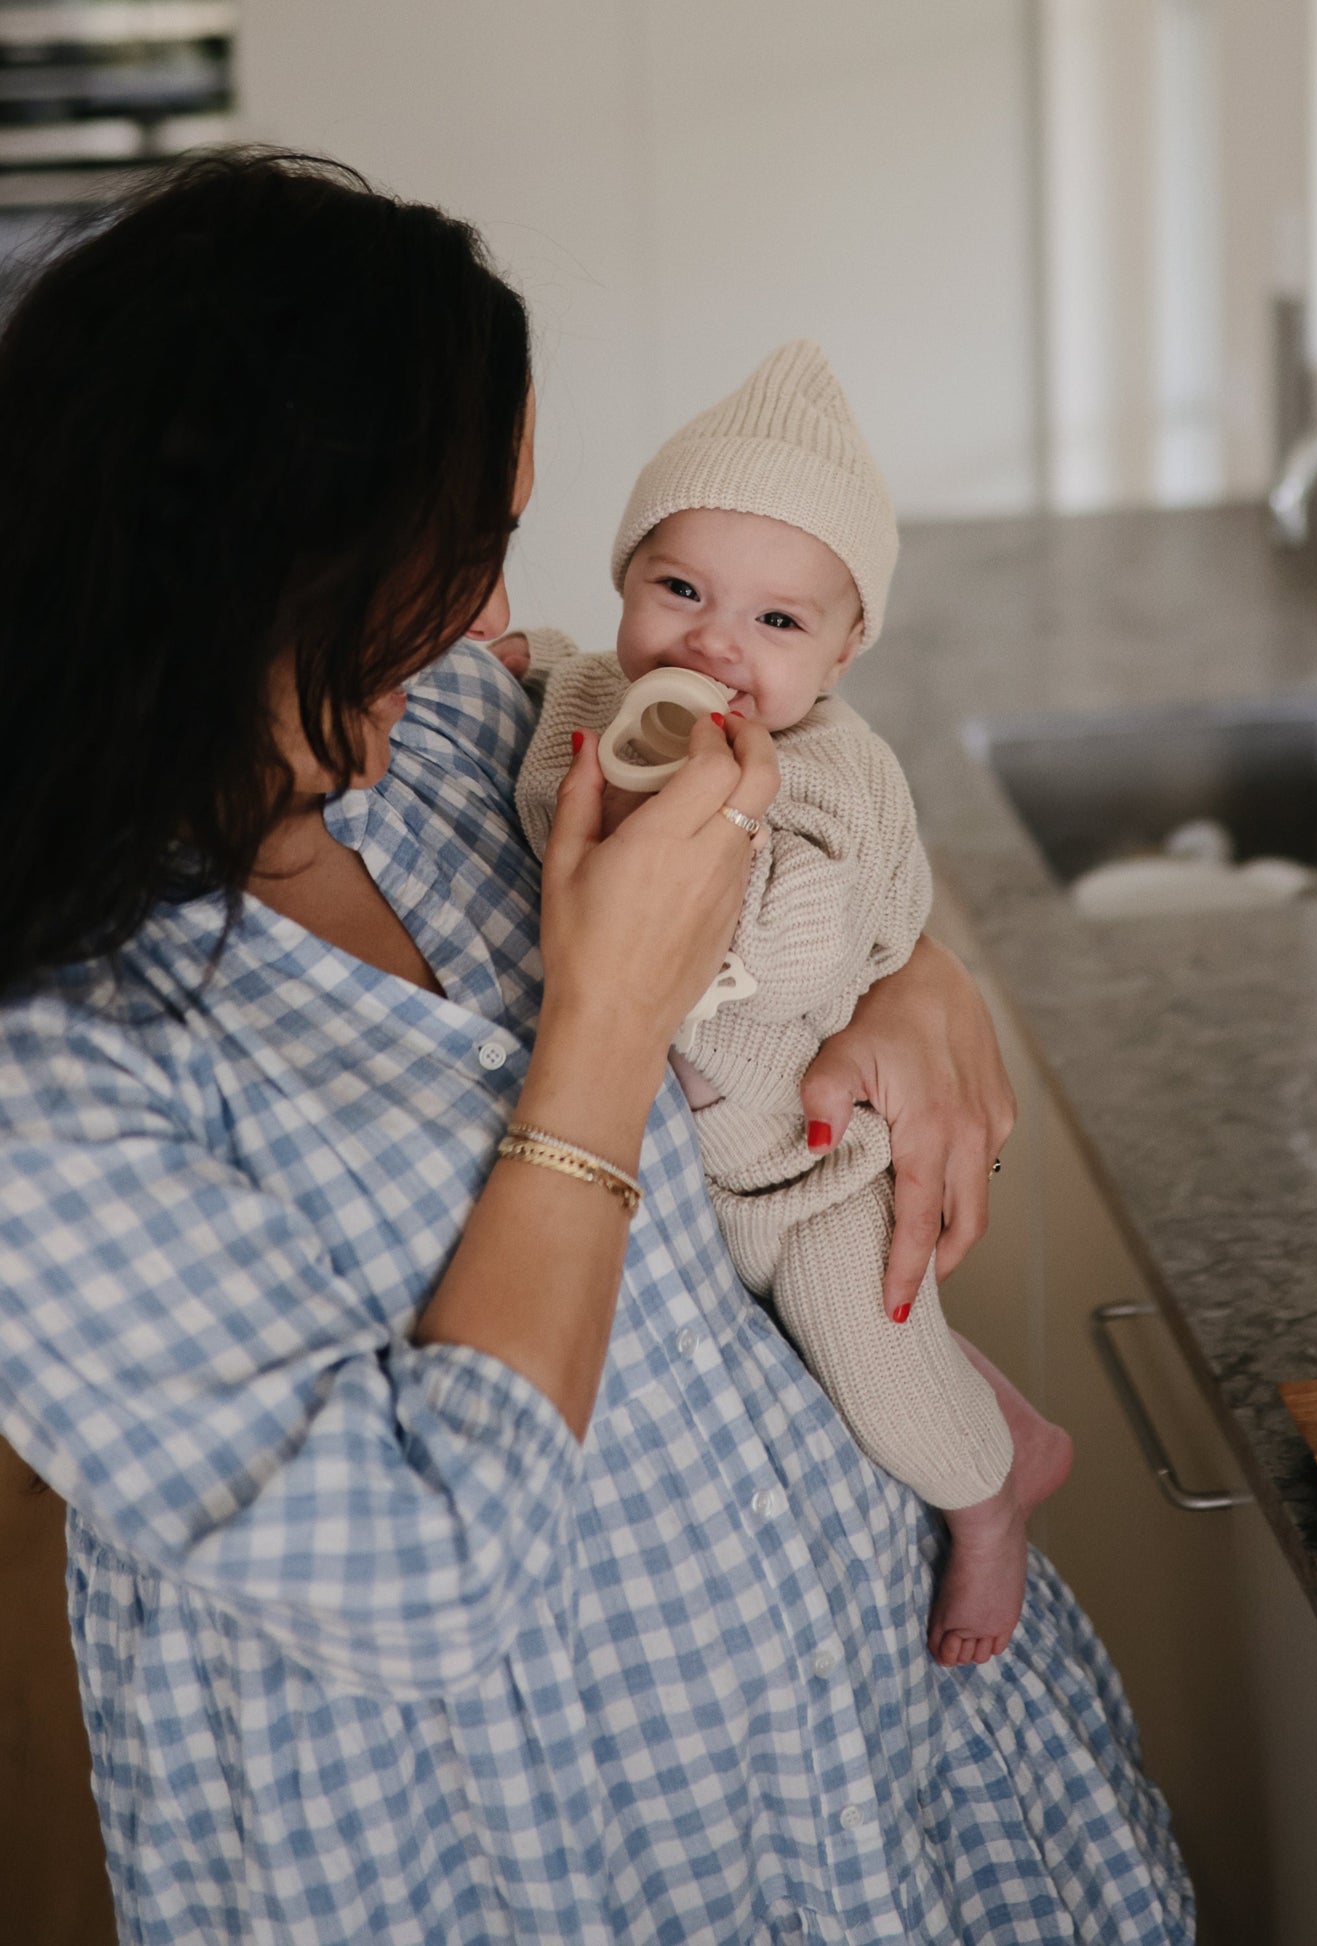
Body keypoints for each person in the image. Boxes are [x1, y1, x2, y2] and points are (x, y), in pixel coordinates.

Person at [0, 151, 1192, 1942]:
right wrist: (606, 1021)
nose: (495, 615)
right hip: (529, 1847)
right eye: (467, 550)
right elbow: (423, 1574)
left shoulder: (430, 736)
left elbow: (776, 853)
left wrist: (915, 978)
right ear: (279, 554)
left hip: (845, 1692)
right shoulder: (47, 1064)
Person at [508, 341, 1072, 1670]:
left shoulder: (828, 771)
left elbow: (814, 959)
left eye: (778, 622)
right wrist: (527, 667)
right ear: (626, 583)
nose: (713, 642)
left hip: (807, 1180)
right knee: (831, 1367)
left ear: (845, 646)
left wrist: (728, 821)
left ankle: (992, 1493)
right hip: (672, 1192)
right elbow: (542, 697)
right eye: (679, 590)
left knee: (876, 1364)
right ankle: (988, 1413)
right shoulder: (596, 697)